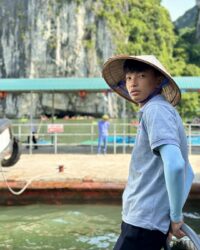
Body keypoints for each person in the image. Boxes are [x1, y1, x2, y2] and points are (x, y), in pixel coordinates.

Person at [102, 55, 194, 250]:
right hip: (150, 222)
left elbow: (176, 165)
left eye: (141, 76)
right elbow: (189, 171)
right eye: (128, 78)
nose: (133, 83)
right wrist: (170, 216)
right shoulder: (162, 110)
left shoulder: (155, 110)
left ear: (158, 80)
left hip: (142, 222)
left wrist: (176, 216)